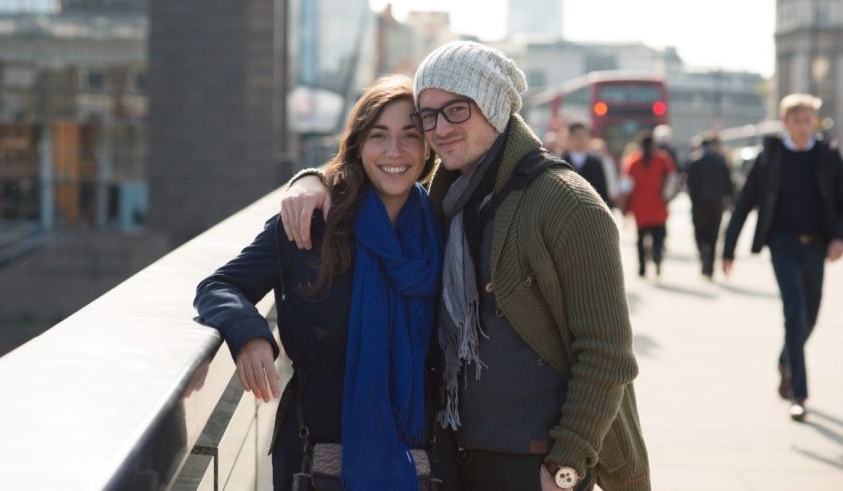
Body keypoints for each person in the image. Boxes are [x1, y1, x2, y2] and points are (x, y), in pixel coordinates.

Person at [282, 41, 649, 491]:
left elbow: (608, 354)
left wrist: (565, 468)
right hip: (457, 455)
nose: (439, 129)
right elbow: (376, 167)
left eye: (456, 109)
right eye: (428, 115)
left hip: (534, 461)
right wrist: (312, 180)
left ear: (493, 106)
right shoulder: (448, 195)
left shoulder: (566, 203)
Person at [193, 75, 444, 490]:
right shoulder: (312, 225)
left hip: (419, 459)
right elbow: (220, 285)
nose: (394, 151)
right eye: (379, 135)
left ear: (427, 147)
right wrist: (250, 333)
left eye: (410, 135)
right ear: (358, 146)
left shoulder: (442, 230)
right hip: (314, 460)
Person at [722, 93, 843, 422]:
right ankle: (799, 393)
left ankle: (785, 358)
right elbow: (745, 202)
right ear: (786, 122)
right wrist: (728, 248)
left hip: (817, 244)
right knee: (794, 312)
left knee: (812, 315)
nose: (804, 127)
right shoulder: (770, 157)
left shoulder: (828, 156)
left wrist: (838, 238)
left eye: (808, 120)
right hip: (783, 244)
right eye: (798, 120)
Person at [622, 130, 678, 277]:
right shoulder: (663, 159)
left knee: (640, 239)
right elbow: (673, 178)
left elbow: (626, 187)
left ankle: (642, 268)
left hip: (640, 208)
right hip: (658, 207)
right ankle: (657, 259)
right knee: (658, 238)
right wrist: (667, 196)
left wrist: (624, 208)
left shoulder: (632, 161)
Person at [686, 132, 733, 278]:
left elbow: (689, 184)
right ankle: (710, 266)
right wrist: (728, 200)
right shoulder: (720, 160)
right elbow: (729, 183)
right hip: (716, 204)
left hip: (699, 204)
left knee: (699, 233)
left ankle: (703, 254)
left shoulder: (694, 161)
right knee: (713, 235)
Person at [561, 123, 612, 207]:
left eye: (585, 136)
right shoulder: (561, 161)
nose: (582, 139)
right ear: (569, 138)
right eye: (578, 136)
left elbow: (602, 190)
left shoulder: (596, 162)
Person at [588, 137, 620, 207]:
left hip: (605, 194)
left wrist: (613, 193)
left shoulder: (607, 161)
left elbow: (611, 178)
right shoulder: (589, 161)